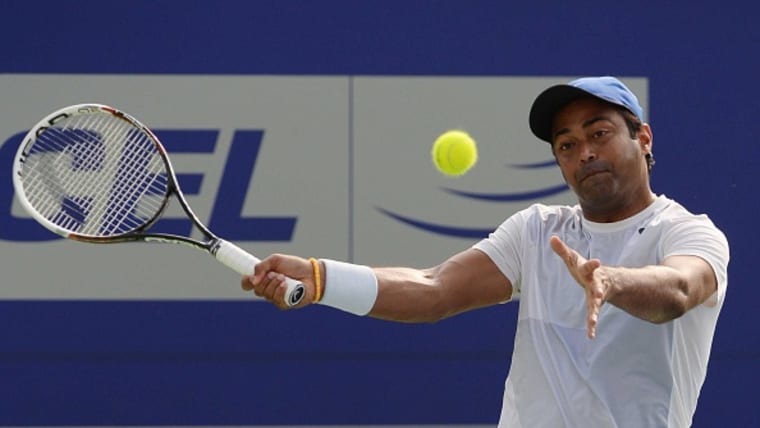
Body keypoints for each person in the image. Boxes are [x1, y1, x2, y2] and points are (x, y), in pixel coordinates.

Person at [242, 76, 729, 428]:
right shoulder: (537, 231)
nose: (584, 152)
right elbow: (434, 289)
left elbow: (679, 291)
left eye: (599, 134)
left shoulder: (688, 232)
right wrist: (320, 278)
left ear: (643, 138)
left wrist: (611, 281)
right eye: (566, 144)